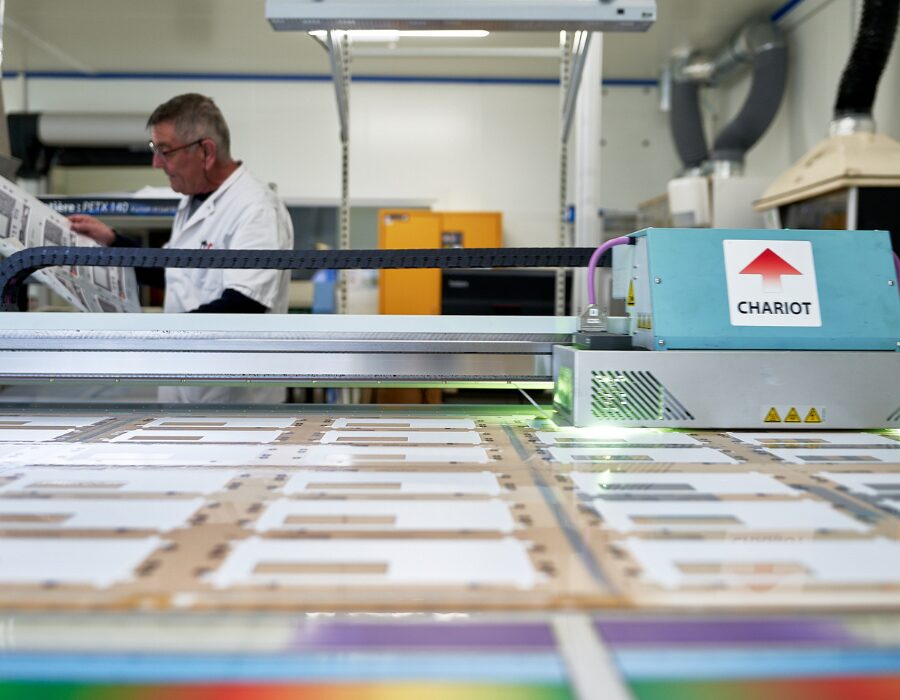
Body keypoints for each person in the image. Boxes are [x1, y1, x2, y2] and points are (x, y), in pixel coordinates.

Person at [69, 93, 294, 404]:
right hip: (184, 384)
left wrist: (157, 334)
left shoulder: (256, 209)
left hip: (233, 399)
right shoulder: (192, 200)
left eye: (165, 151)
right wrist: (112, 241)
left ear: (206, 151)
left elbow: (243, 306)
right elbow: (174, 272)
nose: (156, 163)